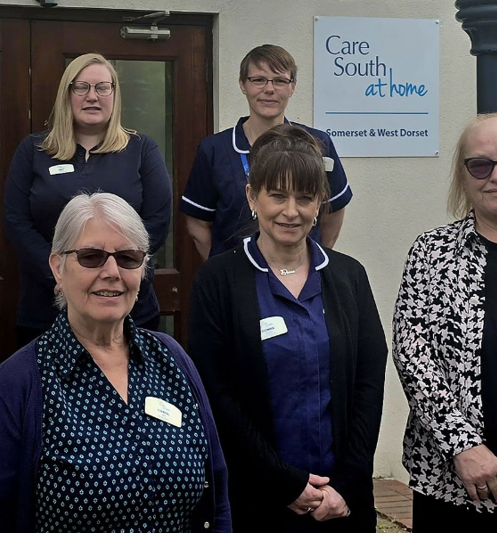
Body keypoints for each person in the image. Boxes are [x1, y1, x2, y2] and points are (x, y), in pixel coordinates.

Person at [0, 192, 231, 533]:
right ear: (57, 267)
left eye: (128, 258)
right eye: (91, 257)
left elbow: (216, 493)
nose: (112, 272)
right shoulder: (20, 383)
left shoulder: (172, 361)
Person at [188, 124, 387, 532]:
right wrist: (284, 483)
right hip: (257, 501)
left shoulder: (349, 276)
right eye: (277, 195)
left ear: (321, 203)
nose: (291, 212)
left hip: (340, 503)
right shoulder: (218, 280)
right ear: (252, 197)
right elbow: (215, 392)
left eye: (305, 197)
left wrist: (347, 483)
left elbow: (369, 383)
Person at [4, 52, 171, 346]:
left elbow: (156, 222)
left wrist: (116, 269)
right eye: (81, 87)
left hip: (126, 308)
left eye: (102, 87)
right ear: (66, 94)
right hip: (46, 308)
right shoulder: (33, 150)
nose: (92, 96)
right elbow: (16, 221)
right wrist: (62, 275)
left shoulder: (141, 150)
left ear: (114, 94)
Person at [393, 113, 497, 530]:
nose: (494, 176)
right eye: (481, 165)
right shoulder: (432, 253)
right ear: (463, 174)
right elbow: (412, 355)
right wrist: (463, 445)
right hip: (450, 480)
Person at [180, 44, 352, 260]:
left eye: (280, 81)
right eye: (259, 80)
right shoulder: (214, 149)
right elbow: (198, 223)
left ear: (292, 87)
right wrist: (223, 270)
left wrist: (312, 262)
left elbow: (333, 212)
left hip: (302, 271)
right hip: (236, 275)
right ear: (242, 84)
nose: (269, 89)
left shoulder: (317, 144)